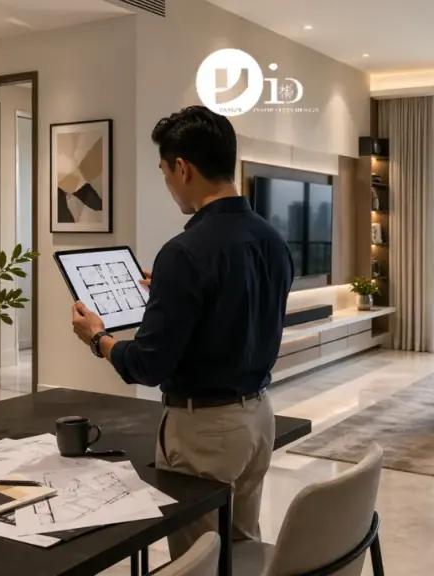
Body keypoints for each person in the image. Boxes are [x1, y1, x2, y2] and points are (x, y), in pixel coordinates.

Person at [70, 105, 293, 558]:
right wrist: (171, 294)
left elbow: (147, 365)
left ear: (182, 167)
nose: (168, 184)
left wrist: (97, 338)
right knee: (241, 545)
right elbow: (237, 311)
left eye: (164, 172)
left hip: (205, 431)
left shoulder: (185, 252)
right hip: (258, 417)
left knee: (199, 560)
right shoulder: (272, 238)